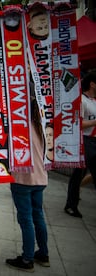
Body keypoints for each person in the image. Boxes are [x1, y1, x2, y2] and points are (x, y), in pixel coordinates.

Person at [6, 96, 50, 272]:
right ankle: (43, 254)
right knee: (38, 216)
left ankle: (27, 259)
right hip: (41, 178)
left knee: (26, 219)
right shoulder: (41, 127)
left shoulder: (19, 128)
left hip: (23, 179)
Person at [64, 72, 96, 218]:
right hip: (85, 140)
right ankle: (71, 204)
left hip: (93, 140)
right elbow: (79, 124)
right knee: (78, 174)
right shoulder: (82, 101)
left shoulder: (94, 101)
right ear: (92, 84)